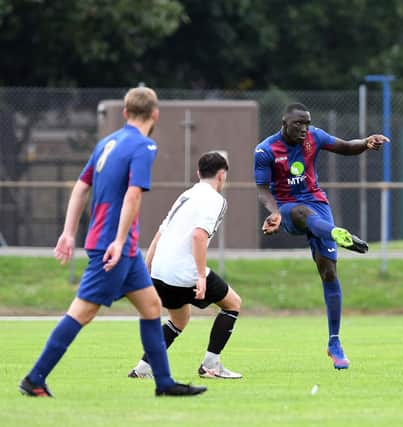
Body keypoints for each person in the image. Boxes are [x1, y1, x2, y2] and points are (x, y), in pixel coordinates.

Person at [19, 87, 206, 397]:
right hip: (113, 246)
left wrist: (68, 232)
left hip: (122, 248)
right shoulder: (144, 146)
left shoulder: (107, 143)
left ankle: (164, 383)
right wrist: (119, 241)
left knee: (151, 307)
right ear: (155, 114)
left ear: (124, 113)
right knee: (82, 312)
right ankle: (34, 378)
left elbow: (81, 187)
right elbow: (133, 194)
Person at [253, 103, 389, 369]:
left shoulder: (314, 136)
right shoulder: (265, 150)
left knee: (328, 272)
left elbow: (345, 147)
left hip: (318, 203)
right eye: (298, 124)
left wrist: (366, 143)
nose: (304, 128)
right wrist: (275, 213)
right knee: (303, 213)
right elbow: (262, 189)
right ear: (284, 123)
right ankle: (339, 233)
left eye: (307, 123)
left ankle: (334, 342)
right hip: (288, 208)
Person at [128, 151, 243, 380]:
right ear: (222, 175)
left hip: (161, 271)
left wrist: (146, 268)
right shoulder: (216, 200)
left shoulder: (186, 195)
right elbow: (199, 236)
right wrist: (200, 276)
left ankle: (144, 368)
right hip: (184, 273)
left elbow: (161, 232)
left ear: (198, 173)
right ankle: (211, 365)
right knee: (232, 304)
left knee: (179, 320)